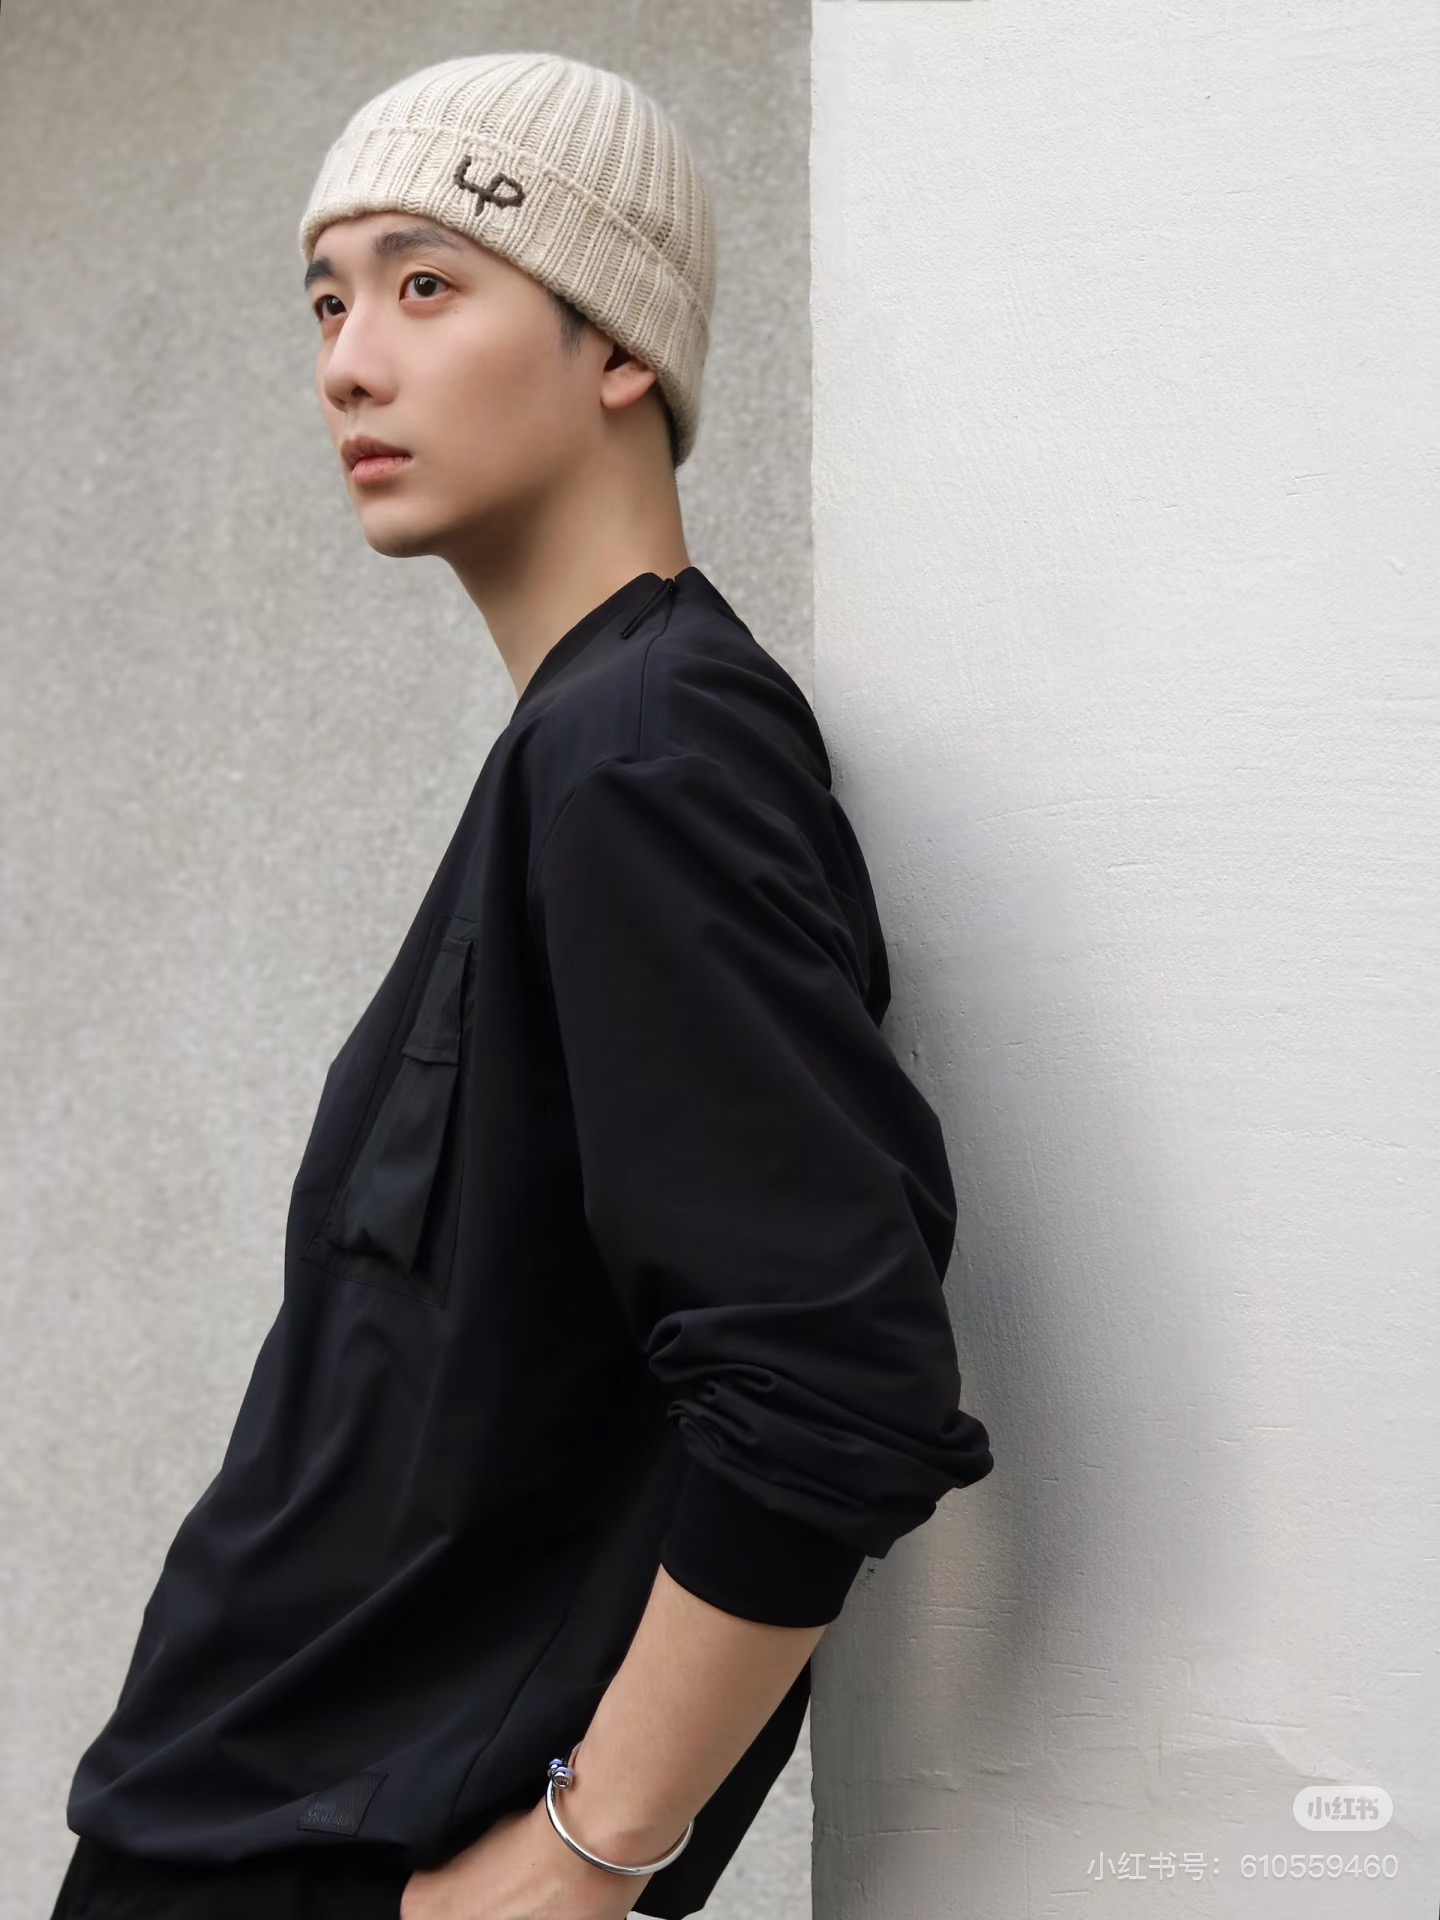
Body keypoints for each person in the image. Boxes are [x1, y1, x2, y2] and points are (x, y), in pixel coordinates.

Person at [50, 49, 994, 1920]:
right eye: (327, 305)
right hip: (234, 1832)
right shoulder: (588, 749)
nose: (348, 362)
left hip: (347, 1862)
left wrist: (578, 1861)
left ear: (618, 341)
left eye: (425, 284)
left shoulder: (650, 755)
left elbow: (828, 1376)